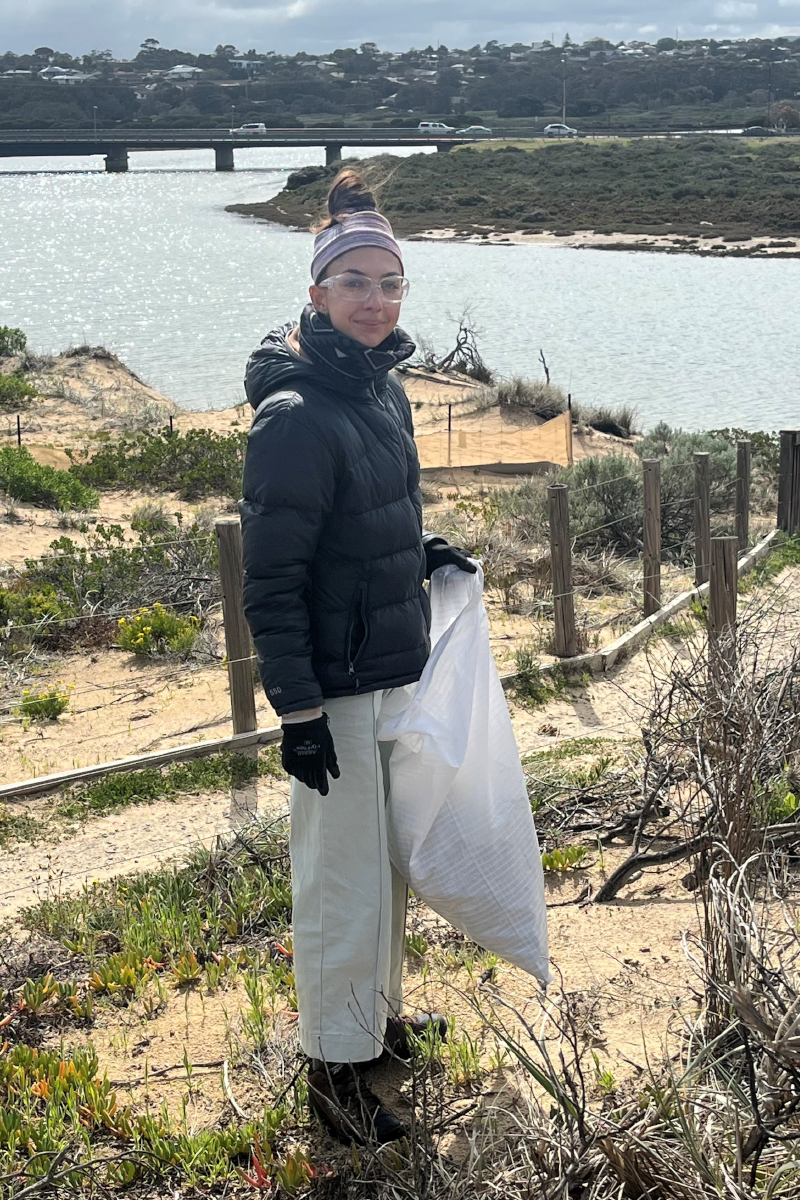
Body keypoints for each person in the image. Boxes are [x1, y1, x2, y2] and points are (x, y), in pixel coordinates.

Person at [239, 168, 475, 1144]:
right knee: (338, 881)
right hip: (332, 692)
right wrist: (295, 714)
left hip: (388, 670)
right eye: (354, 283)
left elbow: (364, 520)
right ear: (315, 294)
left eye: (389, 282)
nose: (374, 301)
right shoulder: (295, 415)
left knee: (384, 863)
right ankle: (333, 1084)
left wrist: (420, 552)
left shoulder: (380, 392)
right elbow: (273, 580)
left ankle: (373, 1026)